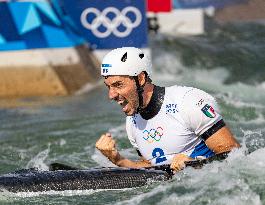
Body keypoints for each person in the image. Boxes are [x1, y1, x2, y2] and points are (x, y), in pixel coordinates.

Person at [96, 47, 240, 171]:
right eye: (108, 86)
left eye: (118, 85)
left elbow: (234, 154)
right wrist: (117, 159)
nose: (111, 95)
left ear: (140, 79)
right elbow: (150, 168)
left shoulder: (188, 101)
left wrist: (195, 164)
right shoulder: (132, 122)